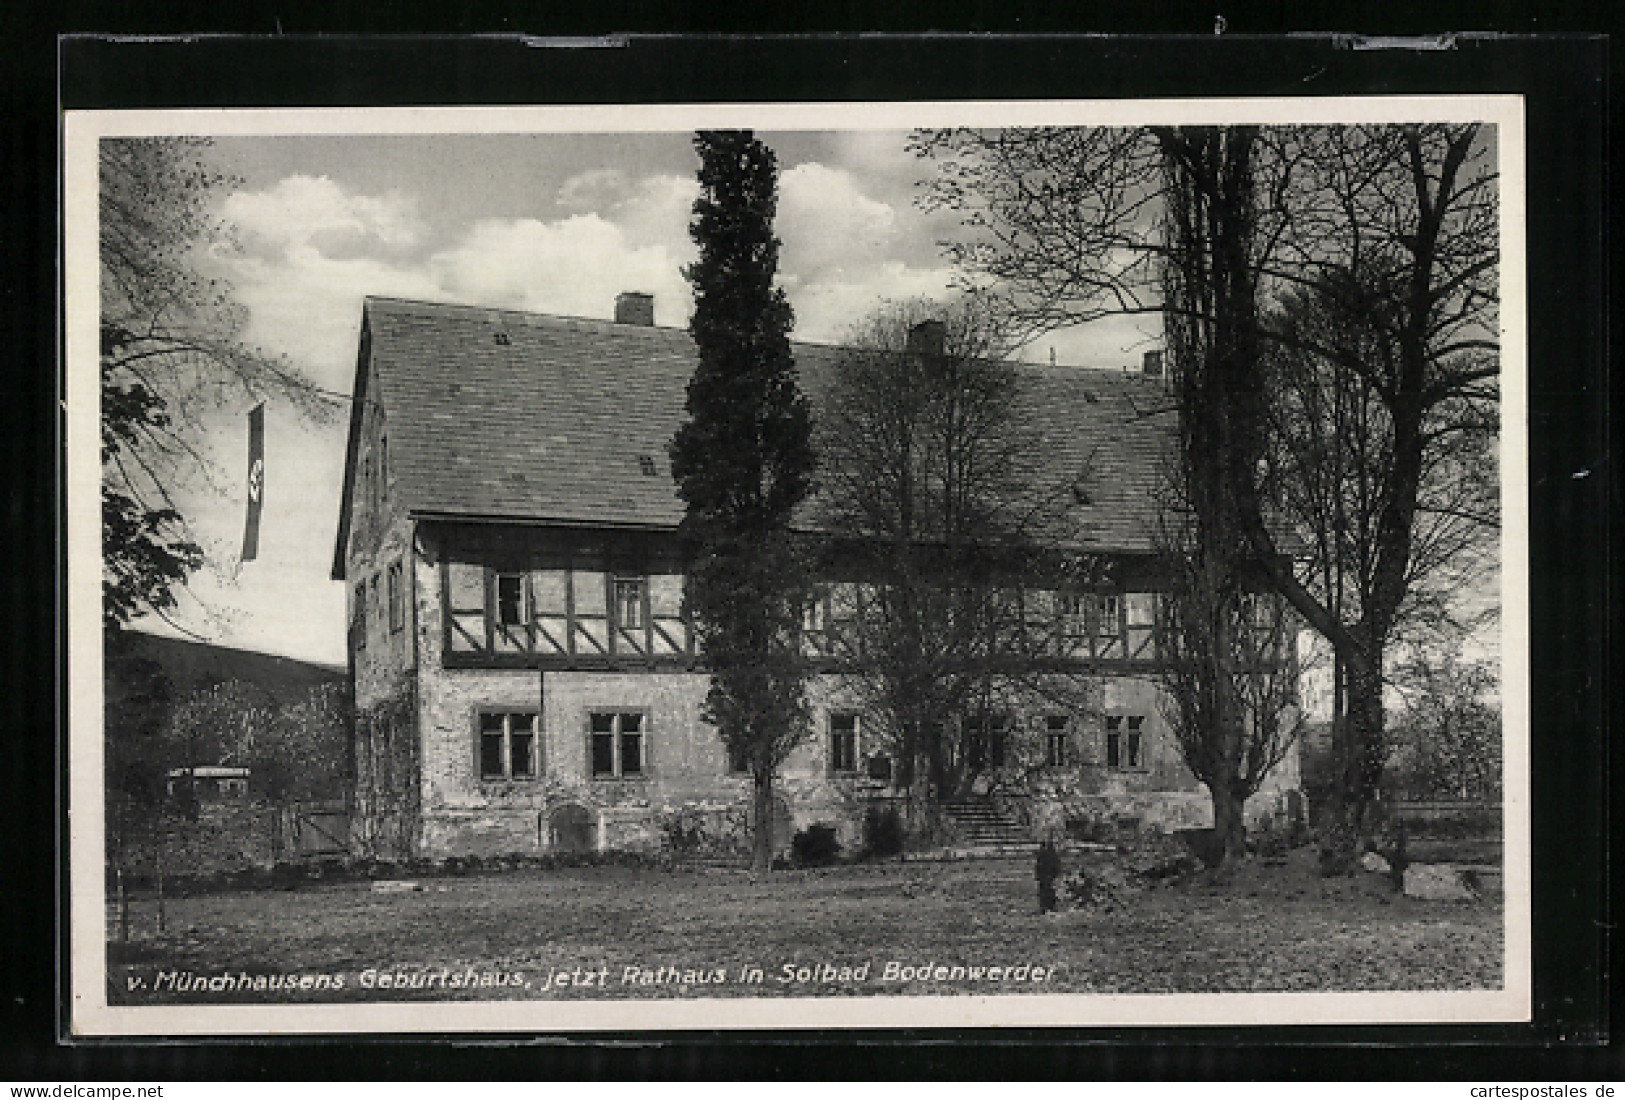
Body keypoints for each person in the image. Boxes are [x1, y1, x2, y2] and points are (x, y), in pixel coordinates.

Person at [1035, 837, 1061, 914]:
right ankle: (1046, 906)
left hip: (1048, 874)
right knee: (1046, 889)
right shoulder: (1045, 853)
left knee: (1048, 889)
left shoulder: (1048, 854)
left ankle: (1048, 906)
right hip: (1046, 874)